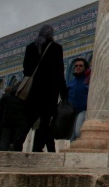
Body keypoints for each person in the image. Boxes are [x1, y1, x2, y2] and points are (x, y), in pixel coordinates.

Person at [15, 24, 68, 152]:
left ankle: (17, 144)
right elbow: (59, 72)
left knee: (28, 119)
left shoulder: (30, 47)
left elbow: (26, 70)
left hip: (33, 90)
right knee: (45, 121)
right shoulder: (56, 48)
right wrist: (64, 93)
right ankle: (37, 149)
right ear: (51, 34)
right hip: (49, 91)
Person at [66, 57, 90, 142]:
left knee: (78, 132)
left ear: (85, 68)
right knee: (72, 135)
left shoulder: (88, 81)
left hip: (83, 110)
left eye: (80, 66)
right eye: (76, 66)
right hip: (72, 111)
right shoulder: (71, 82)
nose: (78, 67)